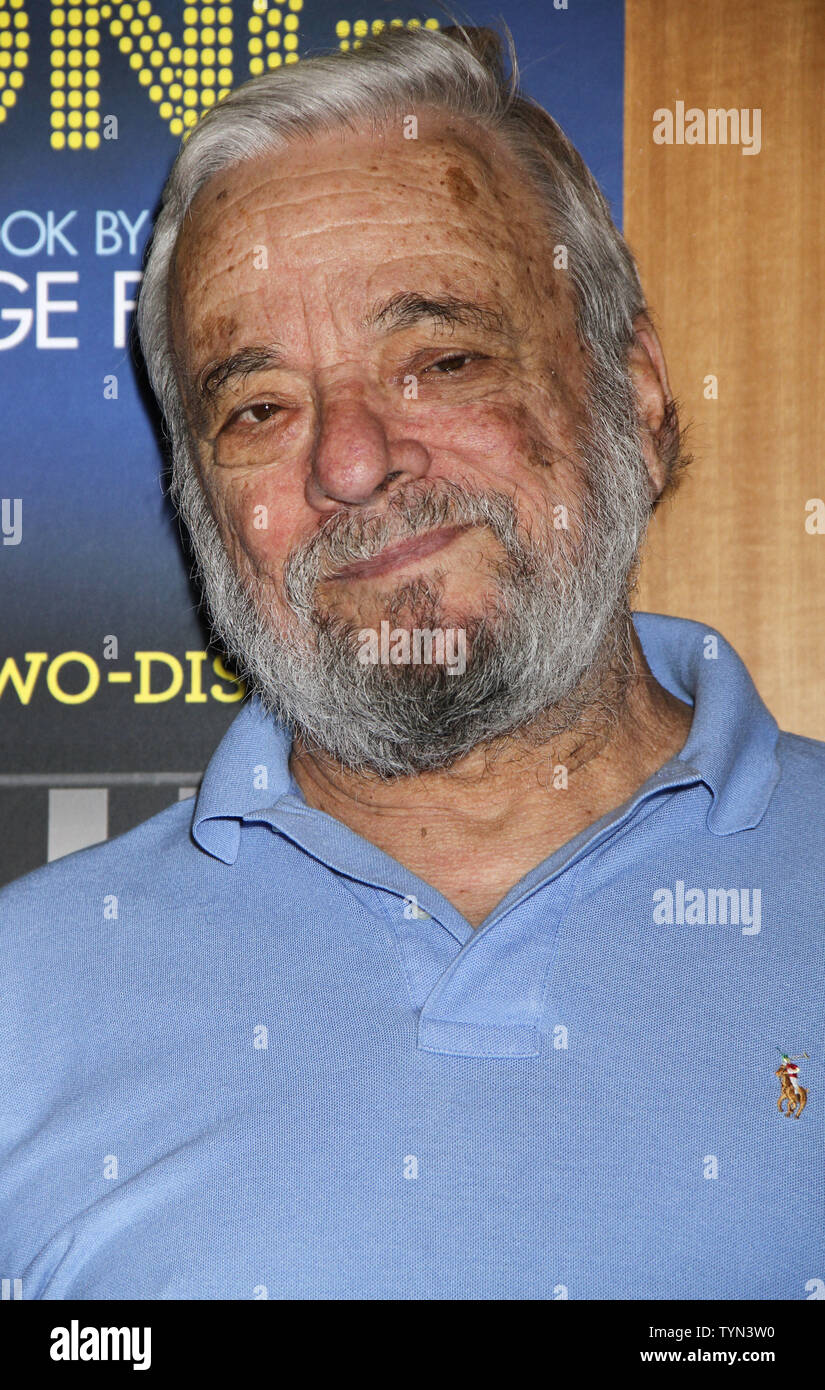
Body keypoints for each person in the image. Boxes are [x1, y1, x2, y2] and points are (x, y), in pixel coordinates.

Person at [1, 23, 822, 1301]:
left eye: (440, 359)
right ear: (197, 499)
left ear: (639, 399)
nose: (349, 462)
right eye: (259, 406)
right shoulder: (22, 999)